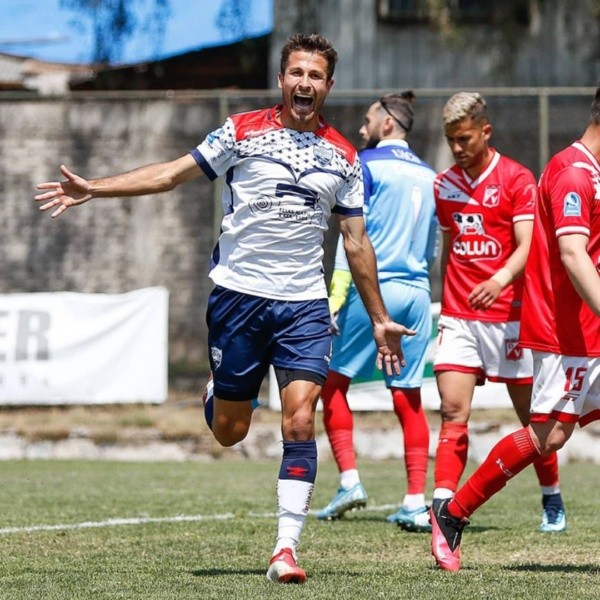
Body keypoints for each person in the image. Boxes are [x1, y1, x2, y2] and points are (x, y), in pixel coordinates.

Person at [34, 34, 414, 585]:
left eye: (316, 76)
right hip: (238, 298)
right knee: (231, 432)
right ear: (282, 79)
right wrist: (95, 187)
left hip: (304, 305)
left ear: (329, 86)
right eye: (296, 73)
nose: (305, 83)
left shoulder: (345, 156)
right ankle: (219, 394)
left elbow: (356, 242)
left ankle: (286, 548)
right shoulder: (240, 132)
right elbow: (170, 174)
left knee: (301, 418)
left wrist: (379, 317)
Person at [430, 85, 600, 572]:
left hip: (568, 323)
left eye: (465, 138)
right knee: (539, 434)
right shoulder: (573, 172)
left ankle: (460, 510)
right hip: (562, 330)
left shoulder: (540, 175)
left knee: (546, 434)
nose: (458, 148)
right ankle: (451, 510)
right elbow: (571, 254)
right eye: (452, 140)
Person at [315, 92, 438, 532]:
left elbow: (354, 239)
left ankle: (349, 480)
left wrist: (333, 298)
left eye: (368, 120)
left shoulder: (364, 164)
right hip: (417, 291)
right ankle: (413, 500)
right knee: (409, 397)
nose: (361, 127)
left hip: (374, 290)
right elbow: (431, 248)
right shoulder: (431, 175)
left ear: (387, 124)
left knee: (331, 384)